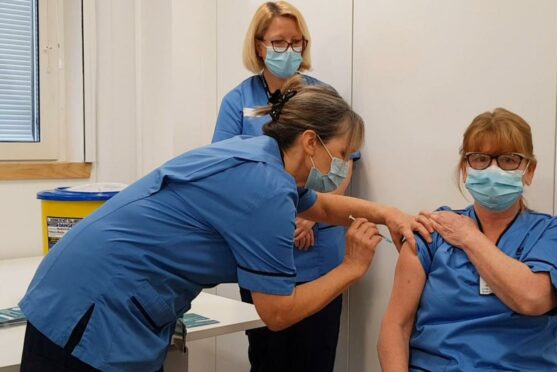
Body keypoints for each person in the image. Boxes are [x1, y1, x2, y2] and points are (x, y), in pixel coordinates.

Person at [19, 77, 426, 372]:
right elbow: (277, 313)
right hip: (93, 307)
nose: (344, 166)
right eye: (342, 153)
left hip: (84, 285)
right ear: (309, 142)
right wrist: (352, 268)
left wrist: (386, 213)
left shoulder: (262, 156)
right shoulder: (265, 188)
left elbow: (320, 206)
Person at [212, 2, 357, 371]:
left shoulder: (323, 97)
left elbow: (344, 163)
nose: (289, 50)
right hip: (262, 249)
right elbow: (228, 175)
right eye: (279, 42)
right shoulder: (238, 101)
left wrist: (311, 217)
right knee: (268, 359)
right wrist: (280, 220)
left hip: (320, 252)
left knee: (316, 358)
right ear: (259, 45)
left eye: (297, 42)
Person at [378, 108, 557, 372]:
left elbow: (532, 299)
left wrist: (469, 237)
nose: (493, 169)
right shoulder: (432, 232)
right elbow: (396, 326)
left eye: (508, 160)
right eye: (481, 159)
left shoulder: (556, 232)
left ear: (529, 170)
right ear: (465, 168)